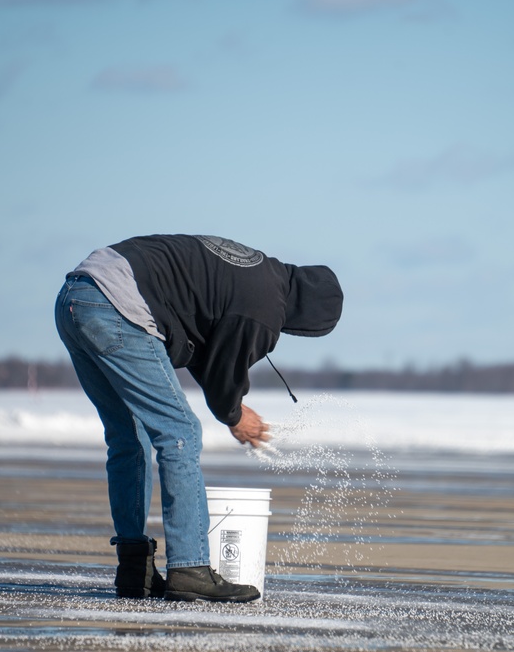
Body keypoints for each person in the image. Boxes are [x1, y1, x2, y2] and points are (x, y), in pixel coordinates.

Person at [54, 234, 343, 603]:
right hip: (117, 304)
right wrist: (234, 415)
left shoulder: (259, 274)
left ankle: (133, 569)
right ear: (310, 314)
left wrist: (230, 407)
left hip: (76, 296)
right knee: (181, 432)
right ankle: (190, 568)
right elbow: (224, 370)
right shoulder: (264, 308)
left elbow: (206, 352)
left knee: (130, 437)